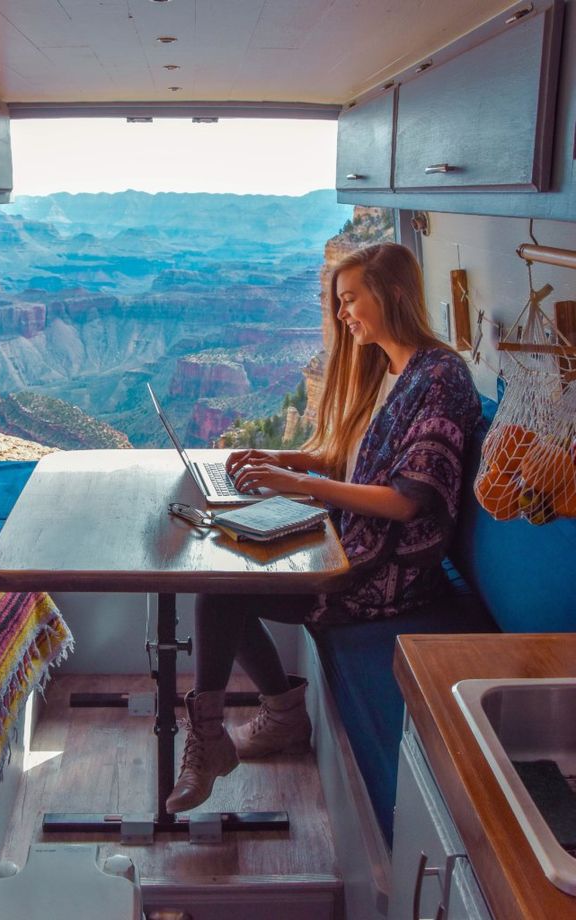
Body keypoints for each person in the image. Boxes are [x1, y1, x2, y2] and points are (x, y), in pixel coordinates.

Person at [165, 241, 482, 815]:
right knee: (219, 565)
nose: (342, 315)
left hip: (384, 570)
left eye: (351, 300)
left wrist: (300, 488)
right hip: (346, 535)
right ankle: (262, 719)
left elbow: (408, 503)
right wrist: (292, 462)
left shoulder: (441, 377)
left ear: (394, 294)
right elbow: (354, 460)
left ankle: (228, 733)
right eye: (338, 302)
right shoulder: (388, 368)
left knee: (218, 583)